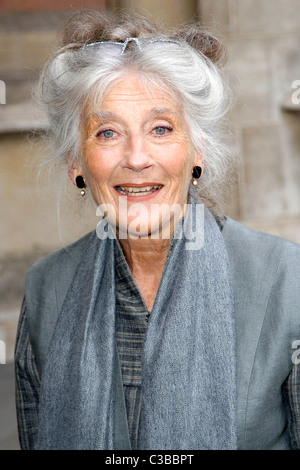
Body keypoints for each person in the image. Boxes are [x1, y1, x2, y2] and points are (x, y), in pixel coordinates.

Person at [15, 9, 300, 450]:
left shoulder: (287, 281)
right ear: (77, 162)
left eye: (161, 128)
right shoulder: (45, 291)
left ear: (197, 149)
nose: (136, 157)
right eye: (108, 133)